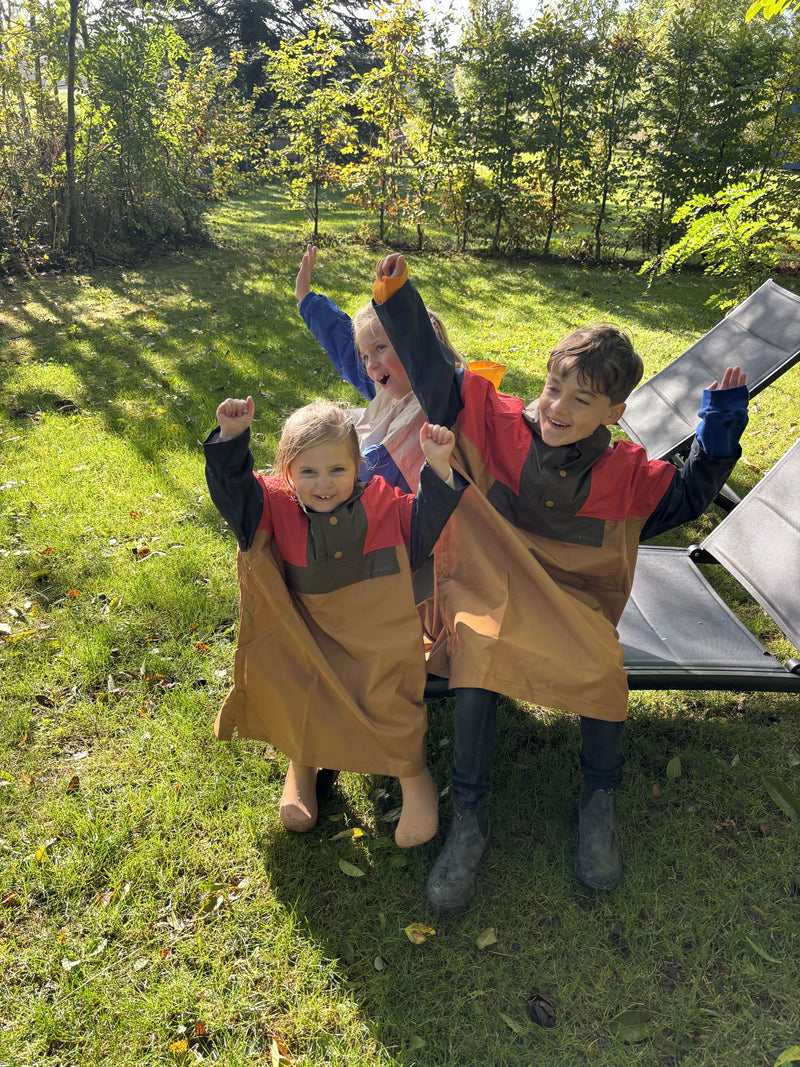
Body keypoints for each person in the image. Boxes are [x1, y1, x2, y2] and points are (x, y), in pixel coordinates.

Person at [371, 253, 749, 911]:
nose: (558, 407)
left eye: (582, 400)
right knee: (478, 655)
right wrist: (397, 296)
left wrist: (718, 426)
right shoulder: (495, 423)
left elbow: (688, 497)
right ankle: (470, 818)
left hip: (571, 607)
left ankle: (598, 804)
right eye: (553, 388)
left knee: (605, 667)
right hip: (486, 591)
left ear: (615, 410)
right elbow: (436, 376)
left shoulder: (627, 472)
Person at [204, 395, 467, 849]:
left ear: (358, 468)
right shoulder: (273, 506)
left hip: (378, 641)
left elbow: (424, 528)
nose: (324, 484)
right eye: (308, 472)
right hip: (308, 638)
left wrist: (439, 469)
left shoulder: (384, 505)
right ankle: (302, 765)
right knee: (301, 691)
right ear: (287, 472)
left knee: (391, 695)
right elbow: (235, 494)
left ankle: (412, 775)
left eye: (337, 470)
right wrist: (231, 439)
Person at [295, 244, 503, 495]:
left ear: (415, 349)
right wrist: (307, 300)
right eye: (366, 355)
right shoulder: (396, 383)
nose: (370, 364)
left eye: (381, 347)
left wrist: (394, 294)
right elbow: (347, 349)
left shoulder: (442, 401)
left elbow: (366, 479)